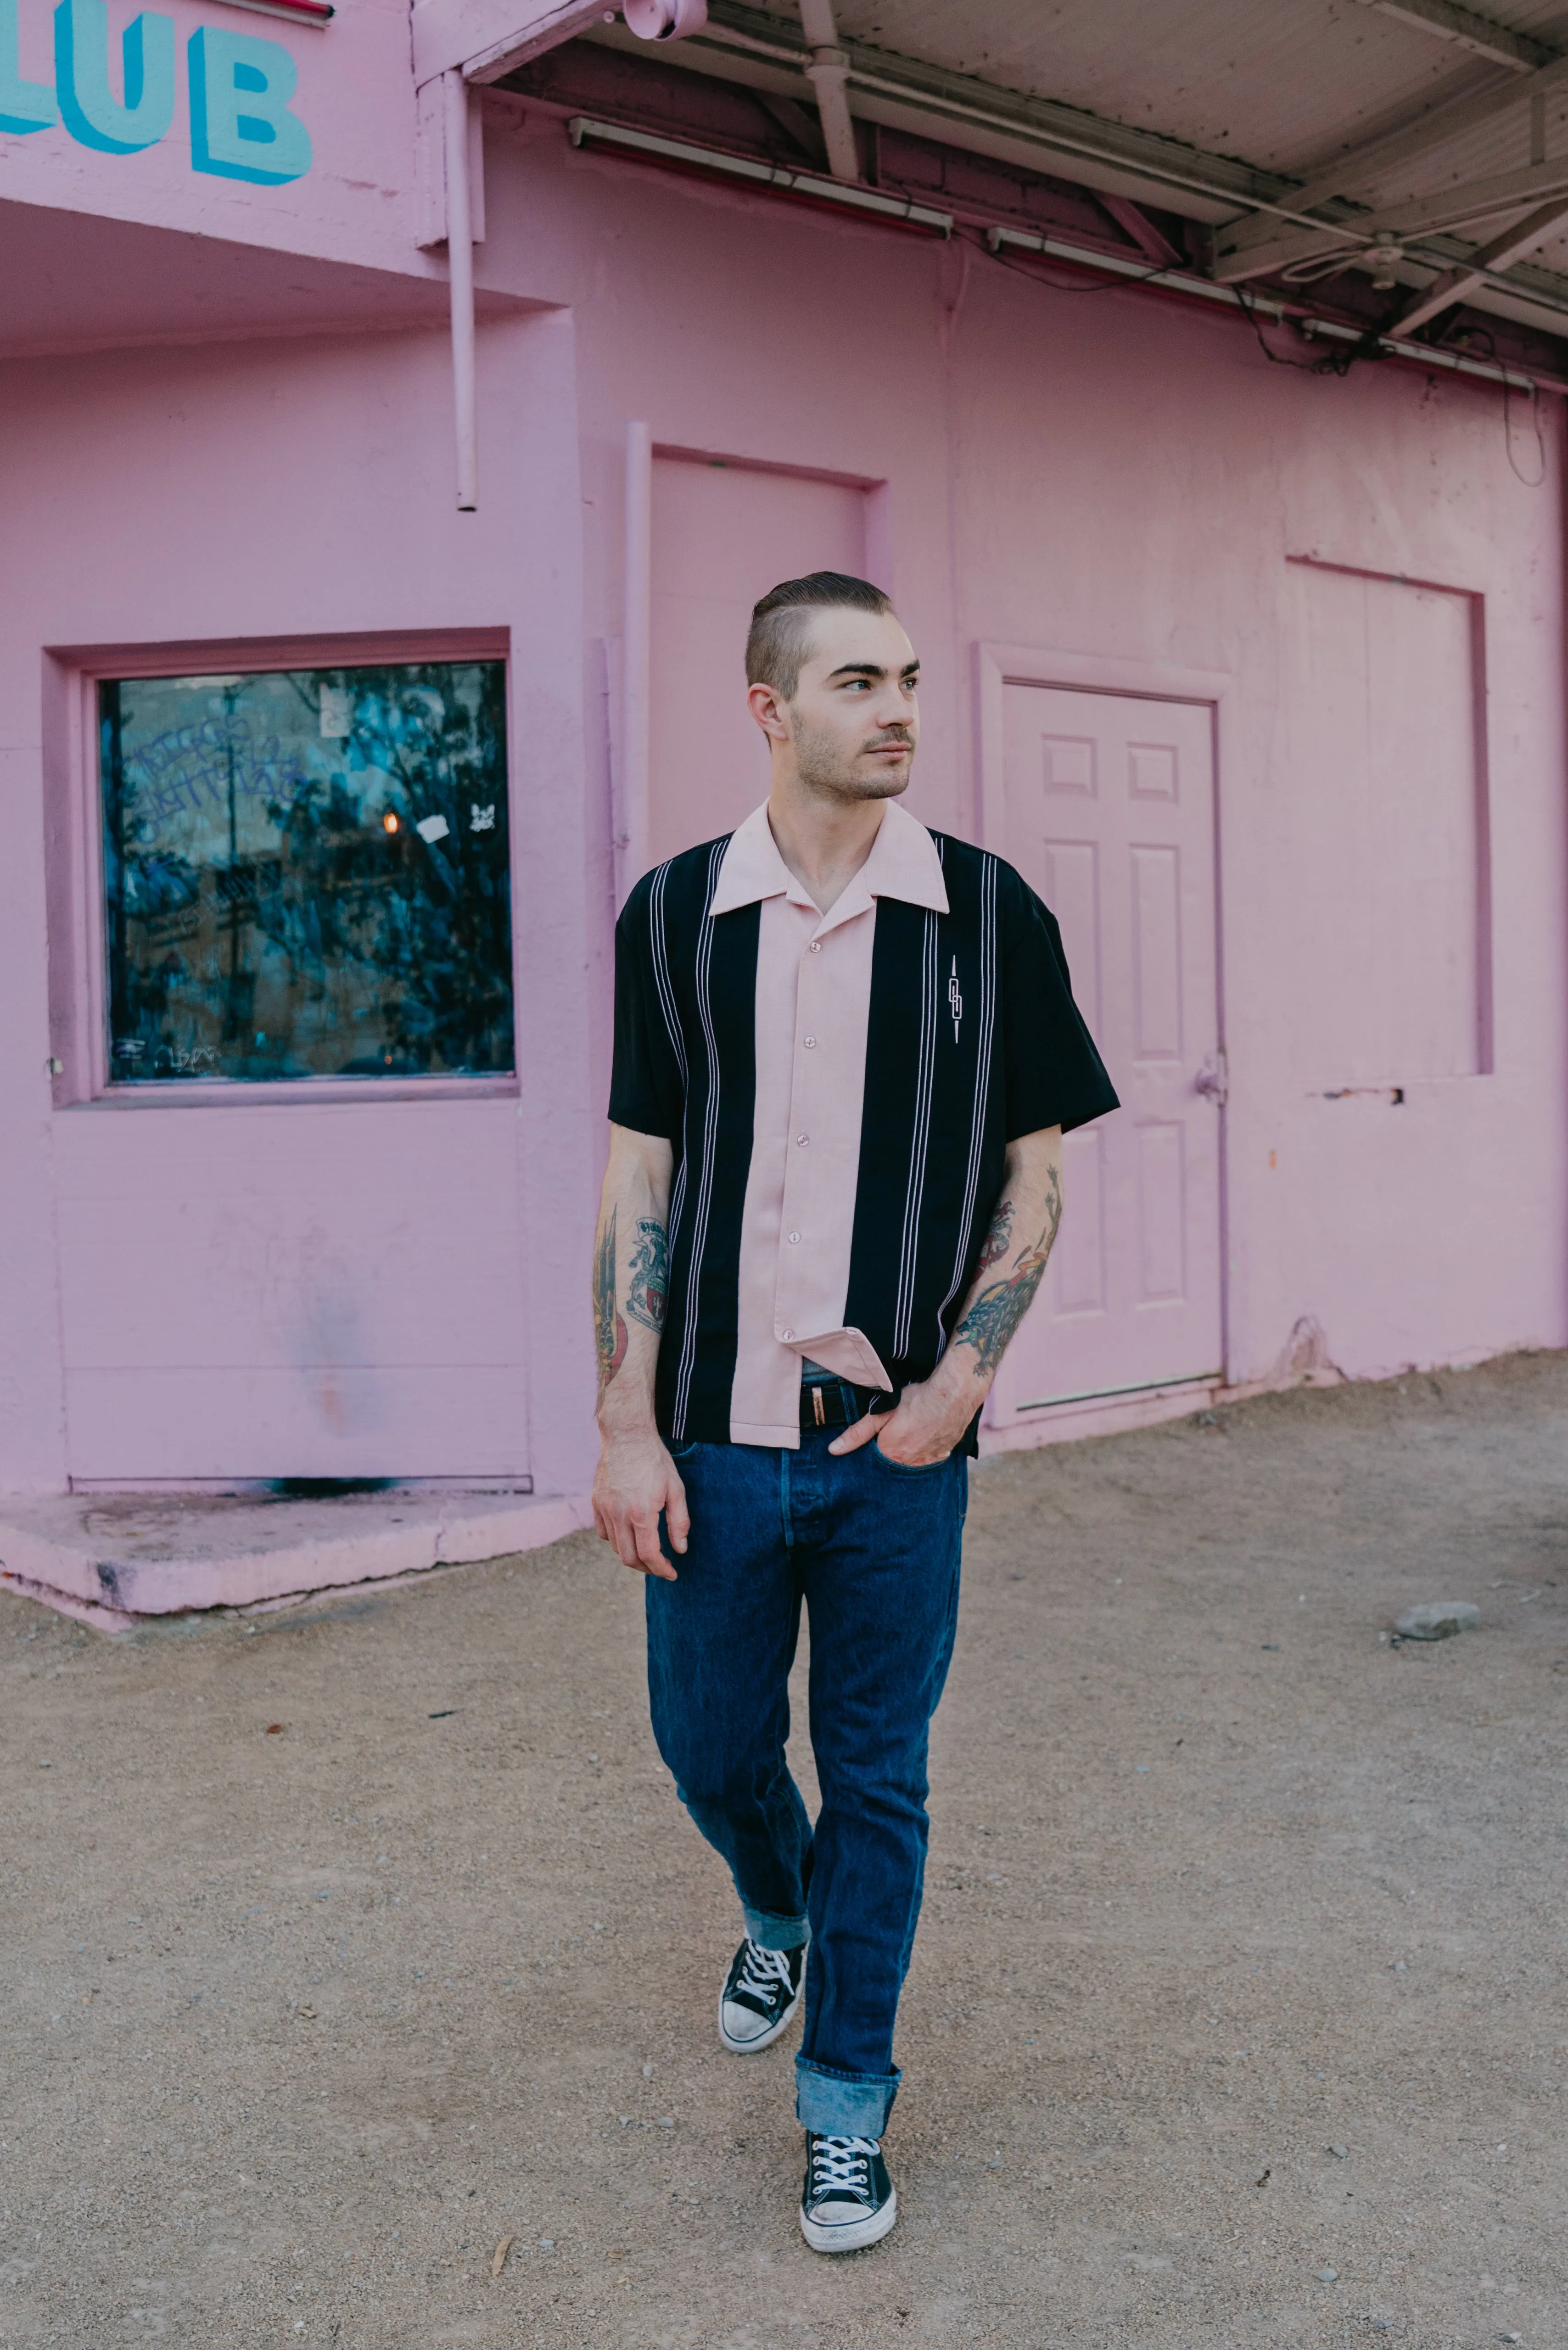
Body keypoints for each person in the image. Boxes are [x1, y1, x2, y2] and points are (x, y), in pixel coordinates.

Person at [591, 571, 1117, 2253]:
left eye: (904, 678)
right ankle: (772, 1900)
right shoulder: (675, 916)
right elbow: (642, 1173)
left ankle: (846, 2109)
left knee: (878, 1777)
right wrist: (622, 1419)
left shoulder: (990, 911)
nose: (896, 708)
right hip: (717, 1435)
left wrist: (964, 1382)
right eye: (852, 682)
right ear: (769, 708)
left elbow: (1032, 1174)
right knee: (714, 1749)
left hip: (900, 1440)